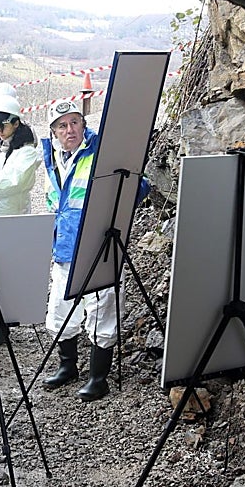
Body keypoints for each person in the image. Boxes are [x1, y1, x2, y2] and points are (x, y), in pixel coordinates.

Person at [39, 98, 147, 402]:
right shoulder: (53, 158)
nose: (69, 129)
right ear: (54, 132)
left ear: (84, 125)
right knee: (61, 310)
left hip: (99, 246)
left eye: (75, 122)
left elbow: (139, 186)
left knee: (102, 309)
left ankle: (98, 378)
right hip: (64, 248)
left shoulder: (102, 152)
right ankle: (68, 367)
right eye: (62, 125)